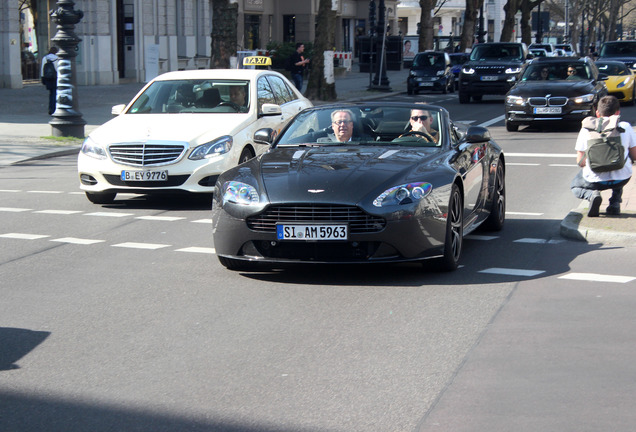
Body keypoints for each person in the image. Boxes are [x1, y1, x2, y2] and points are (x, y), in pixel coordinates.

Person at [571, 95, 636, 216]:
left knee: (574, 186)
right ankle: (615, 203)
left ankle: (591, 195)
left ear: (597, 113)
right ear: (618, 113)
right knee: (619, 162)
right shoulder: (625, 127)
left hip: (595, 180)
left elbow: (580, 161)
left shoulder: (586, 129)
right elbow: (635, 155)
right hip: (622, 178)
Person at [41, 46, 59, 115]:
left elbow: (43, 69)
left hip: (48, 78)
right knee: (55, 93)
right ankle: (54, 108)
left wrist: (42, 78)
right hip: (56, 77)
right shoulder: (58, 58)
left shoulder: (45, 58)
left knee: (51, 93)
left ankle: (51, 108)